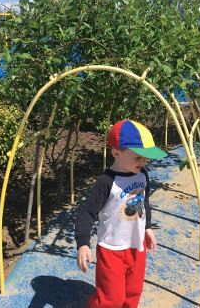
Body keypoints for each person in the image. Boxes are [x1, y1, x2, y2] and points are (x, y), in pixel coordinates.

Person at [75, 120, 168, 308]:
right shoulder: (107, 181)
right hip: (112, 248)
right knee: (111, 300)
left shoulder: (143, 175)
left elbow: (144, 202)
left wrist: (148, 227)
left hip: (136, 244)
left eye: (146, 158)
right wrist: (83, 244)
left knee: (133, 293)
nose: (144, 162)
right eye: (138, 157)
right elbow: (87, 213)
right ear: (116, 154)